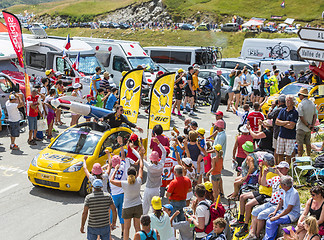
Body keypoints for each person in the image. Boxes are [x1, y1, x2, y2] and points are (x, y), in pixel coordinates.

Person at [233, 153, 277, 237]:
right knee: (242, 197)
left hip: (266, 194)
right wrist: (261, 170)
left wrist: (261, 172)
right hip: (261, 191)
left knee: (248, 205)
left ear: (266, 161)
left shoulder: (271, 172)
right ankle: (241, 219)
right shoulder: (266, 168)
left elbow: (261, 182)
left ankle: (245, 227)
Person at [245, 161, 290, 240]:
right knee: (255, 211)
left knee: (261, 215)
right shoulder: (275, 178)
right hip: (271, 202)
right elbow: (263, 183)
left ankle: (258, 235)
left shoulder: (289, 179)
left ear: (287, 169)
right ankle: (252, 233)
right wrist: (264, 173)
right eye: (278, 168)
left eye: (281, 168)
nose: (278, 169)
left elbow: (285, 180)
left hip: (279, 205)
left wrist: (278, 172)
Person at [110, 155, 144, 240]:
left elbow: (111, 180)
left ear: (127, 174)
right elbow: (141, 167)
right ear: (135, 174)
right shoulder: (139, 181)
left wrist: (116, 170)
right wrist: (141, 157)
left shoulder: (124, 183)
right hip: (138, 206)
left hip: (127, 207)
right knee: (137, 228)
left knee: (126, 228)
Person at [263, 176, 300, 240]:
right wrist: (275, 212)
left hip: (291, 215)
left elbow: (289, 209)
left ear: (285, 185)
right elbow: (281, 202)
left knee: (272, 222)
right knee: (269, 218)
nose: (280, 186)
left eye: (281, 184)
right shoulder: (285, 190)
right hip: (284, 212)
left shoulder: (294, 193)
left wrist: (277, 217)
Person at [143, 138, 167, 214]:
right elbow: (164, 152)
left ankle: (144, 220)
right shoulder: (161, 164)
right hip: (157, 189)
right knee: (155, 207)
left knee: (145, 206)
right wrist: (158, 143)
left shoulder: (149, 166)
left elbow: (140, 159)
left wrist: (135, 151)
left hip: (148, 188)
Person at [275, 95, 299, 164]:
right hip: (281, 135)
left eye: (289, 100)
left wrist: (281, 123)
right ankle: (280, 168)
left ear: (292, 102)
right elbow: (277, 122)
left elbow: (291, 126)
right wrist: (287, 122)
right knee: (280, 153)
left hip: (290, 137)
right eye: (286, 100)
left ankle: (286, 169)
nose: (287, 102)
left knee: (288, 155)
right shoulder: (282, 110)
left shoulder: (295, 112)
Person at [296, 87, 317, 157]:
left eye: (299, 95)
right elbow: (315, 115)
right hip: (309, 128)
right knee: (308, 143)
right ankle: (308, 156)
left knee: (300, 143)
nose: (299, 96)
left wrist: (307, 125)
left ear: (302, 95)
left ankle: (300, 157)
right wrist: (312, 125)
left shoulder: (301, 104)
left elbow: (301, 117)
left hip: (301, 127)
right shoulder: (312, 103)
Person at [267, 95, 286, 164]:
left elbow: (268, 116)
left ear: (279, 102)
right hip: (286, 132)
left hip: (277, 132)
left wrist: (272, 107)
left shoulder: (278, 110)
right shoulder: (288, 109)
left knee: (276, 150)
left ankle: (276, 164)